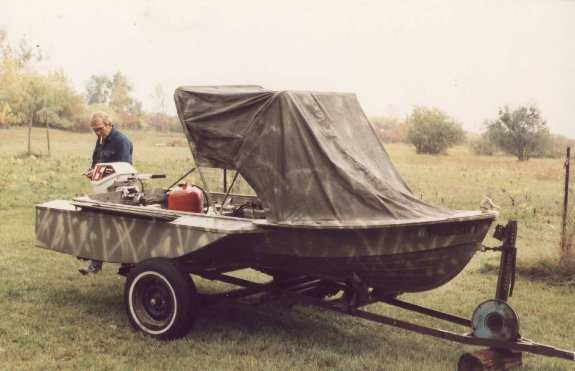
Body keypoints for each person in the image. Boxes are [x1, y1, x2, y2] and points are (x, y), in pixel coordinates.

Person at [79, 112, 133, 275]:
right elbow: (97, 162)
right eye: (94, 130)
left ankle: (127, 265)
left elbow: (123, 169)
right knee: (99, 224)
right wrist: (91, 171)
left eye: (100, 129)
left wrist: (102, 175)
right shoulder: (101, 139)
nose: (97, 133)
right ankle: (95, 264)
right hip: (103, 188)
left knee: (122, 227)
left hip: (119, 189)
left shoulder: (121, 141)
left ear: (109, 124)